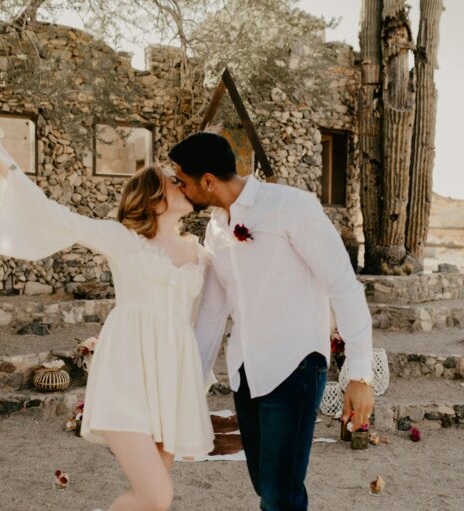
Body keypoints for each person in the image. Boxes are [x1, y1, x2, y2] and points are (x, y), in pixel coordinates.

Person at [0, 130, 214, 511]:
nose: (182, 183)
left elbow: (207, 316)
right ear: (153, 197)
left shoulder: (200, 255)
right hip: (128, 373)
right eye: (172, 180)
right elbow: (57, 216)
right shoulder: (123, 240)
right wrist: (2, 158)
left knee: (154, 500)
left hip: (171, 380)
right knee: (157, 495)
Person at [169, 132, 374, 511]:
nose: (178, 187)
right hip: (246, 371)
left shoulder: (290, 207)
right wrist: (190, 385)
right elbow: (212, 313)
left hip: (295, 366)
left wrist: (360, 375)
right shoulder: (215, 228)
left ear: (208, 181)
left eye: (181, 180)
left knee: (281, 495)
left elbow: (343, 285)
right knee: (265, 484)